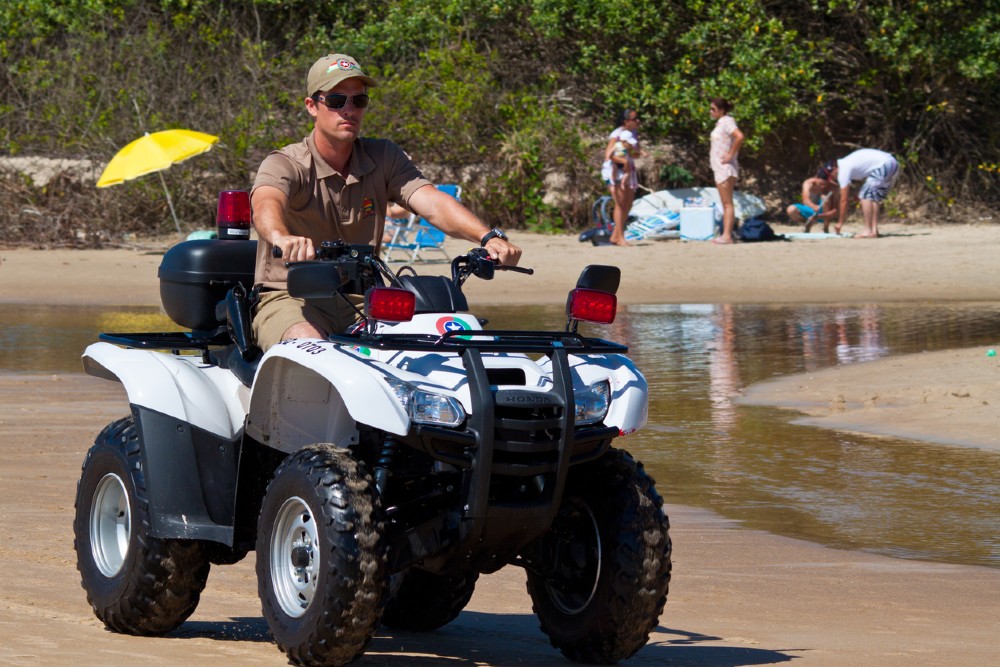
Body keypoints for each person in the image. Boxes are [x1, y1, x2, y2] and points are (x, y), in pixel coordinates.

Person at [250, 53, 521, 350]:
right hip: (290, 297)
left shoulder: (384, 157)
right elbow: (266, 203)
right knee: (309, 346)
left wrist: (488, 237)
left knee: (437, 343)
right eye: (337, 101)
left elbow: (431, 201)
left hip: (365, 299)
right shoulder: (287, 163)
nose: (349, 110)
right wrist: (281, 237)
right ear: (312, 106)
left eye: (359, 101)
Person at [818, 148, 899, 238]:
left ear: (834, 170)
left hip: (885, 165)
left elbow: (844, 200)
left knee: (864, 196)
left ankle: (868, 230)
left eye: (832, 178)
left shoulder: (843, 168)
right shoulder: (847, 161)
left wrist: (840, 223)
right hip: (893, 163)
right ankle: (874, 230)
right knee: (873, 197)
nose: (834, 180)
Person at [600, 109, 641, 246]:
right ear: (626, 121)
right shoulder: (617, 135)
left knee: (628, 204)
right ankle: (620, 237)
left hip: (629, 171)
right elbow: (608, 155)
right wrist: (623, 161)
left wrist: (634, 152)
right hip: (616, 171)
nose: (638, 121)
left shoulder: (633, 134)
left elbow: (635, 154)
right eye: (634, 119)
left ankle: (616, 235)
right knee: (620, 204)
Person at [708, 98, 745, 245]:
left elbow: (739, 136)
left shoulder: (727, 121)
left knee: (727, 203)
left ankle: (727, 235)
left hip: (725, 168)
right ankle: (727, 234)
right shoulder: (721, 123)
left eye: (713, 109)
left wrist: (730, 154)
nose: (711, 112)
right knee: (726, 203)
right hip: (719, 167)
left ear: (721, 110)